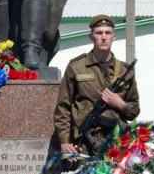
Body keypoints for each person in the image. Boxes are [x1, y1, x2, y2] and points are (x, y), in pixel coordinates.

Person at [54, 15, 140, 156]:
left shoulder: (124, 71)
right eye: (99, 33)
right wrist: (64, 141)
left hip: (117, 142)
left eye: (108, 33)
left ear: (114, 37)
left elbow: (134, 110)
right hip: (84, 142)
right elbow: (63, 106)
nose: (104, 37)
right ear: (91, 37)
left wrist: (120, 104)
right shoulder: (77, 67)